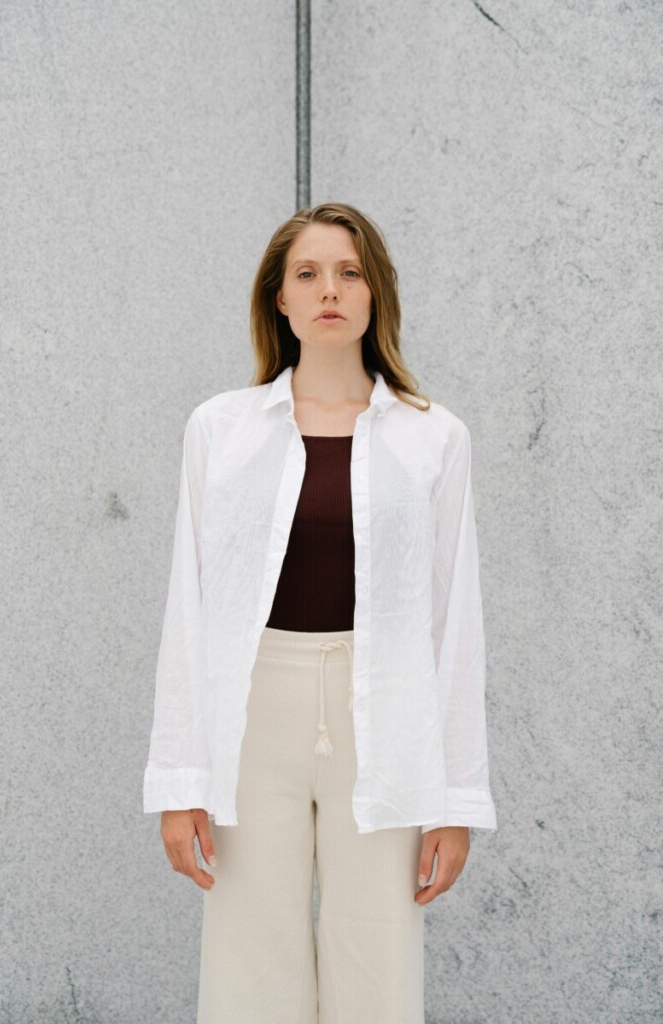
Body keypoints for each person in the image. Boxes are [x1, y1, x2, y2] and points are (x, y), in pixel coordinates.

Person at [143, 202, 497, 1023]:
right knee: (249, 965)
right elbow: (189, 611)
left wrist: (454, 801)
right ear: (280, 297)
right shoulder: (220, 430)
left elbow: (454, 625)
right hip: (251, 712)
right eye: (307, 274)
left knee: (377, 962)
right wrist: (179, 779)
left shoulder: (433, 438)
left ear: (376, 294)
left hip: (386, 714)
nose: (328, 290)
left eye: (349, 273)